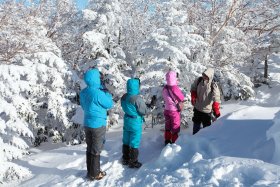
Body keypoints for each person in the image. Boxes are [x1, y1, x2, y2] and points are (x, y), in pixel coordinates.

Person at [80, 68, 113, 180]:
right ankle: (95, 173)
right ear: (95, 79)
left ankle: (90, 171)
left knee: (90, 147)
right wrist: (107, 93)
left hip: (87, 123)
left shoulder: (83, 92)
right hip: (98, 124)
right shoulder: (98, 93)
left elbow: (84, 106)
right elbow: (109, 104)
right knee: (96, 149)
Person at [121, 78, 150, 168]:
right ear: (136, 86)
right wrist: (150, 106)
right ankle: (133, 161)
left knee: (126, 139)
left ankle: (125, 158)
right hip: (135, 121)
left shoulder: (124, 96)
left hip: (127, 120)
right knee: (134, 141)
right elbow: (144, 111)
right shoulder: (137, 98)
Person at [190, 68, 221, 135]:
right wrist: (193, 96)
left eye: (206, 75)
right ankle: (194, 140)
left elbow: (216, 97)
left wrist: (216, 108)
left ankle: (204, 142)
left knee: (206, 130)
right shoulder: (199, 80)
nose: (204, 76)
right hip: (197, 108)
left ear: (210, 76)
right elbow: (193, 88)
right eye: (203, 74)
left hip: (206, 112)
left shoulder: (213, 85)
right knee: (196, 127)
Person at [162, 71, 185, 145]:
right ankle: (174, 142)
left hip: (166, 109)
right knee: (175, 126)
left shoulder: (165, 88)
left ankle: (167, 140)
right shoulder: (175, 88)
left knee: (168, 125)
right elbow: (181, 97)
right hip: (174, 110)